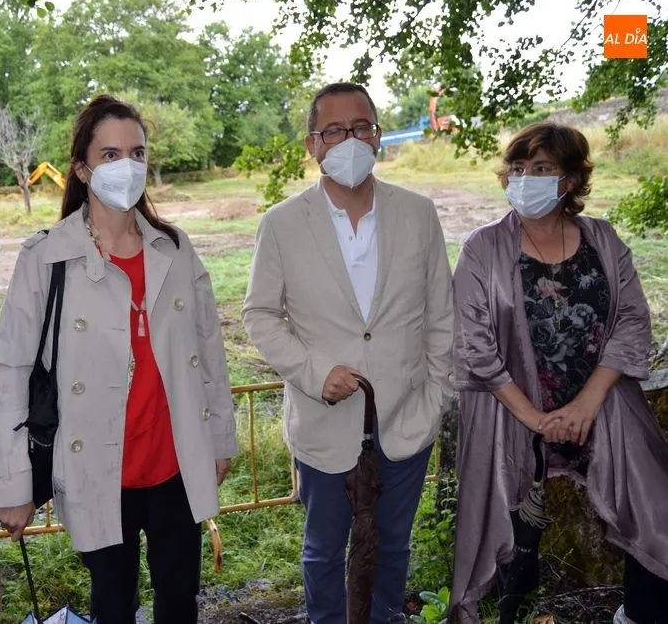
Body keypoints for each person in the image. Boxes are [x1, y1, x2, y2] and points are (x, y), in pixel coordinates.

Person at [0, 95, 237, 624]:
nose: (126, 166)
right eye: (110, 155)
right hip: (96, 468)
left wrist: (220, 439)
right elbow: (9, 374)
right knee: (113, 602)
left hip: (175, 462)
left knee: (180, 599)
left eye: (137, 153)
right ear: (82, 169)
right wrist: (12, 486)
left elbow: (209, 352)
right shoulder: (46, 256)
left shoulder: (174, 249)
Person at [242, 82, 455, 624]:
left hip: (405, 418)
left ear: (378, 136)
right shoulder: (282, 224)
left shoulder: (418, 213)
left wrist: (435, 399)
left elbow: (441, 316)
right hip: (324, 420)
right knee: (323, 550)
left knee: (392, 547)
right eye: (334, 130)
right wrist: (315, 374)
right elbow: (260, 314)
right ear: (313, 145)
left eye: (361, 127)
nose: (351, 140)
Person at [449, 122, 668, 623]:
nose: (524, 178)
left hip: (602, 404)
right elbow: (474, 345)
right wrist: (537, 420)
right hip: (511, 413)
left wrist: (586, 404)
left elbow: (633, 320)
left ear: (569, 180)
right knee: (506, 529)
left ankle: (641, 614)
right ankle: (511, 613)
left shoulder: (603, 239)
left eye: (541, 168)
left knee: (655, 507)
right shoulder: (483, 248)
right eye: (517, 168)